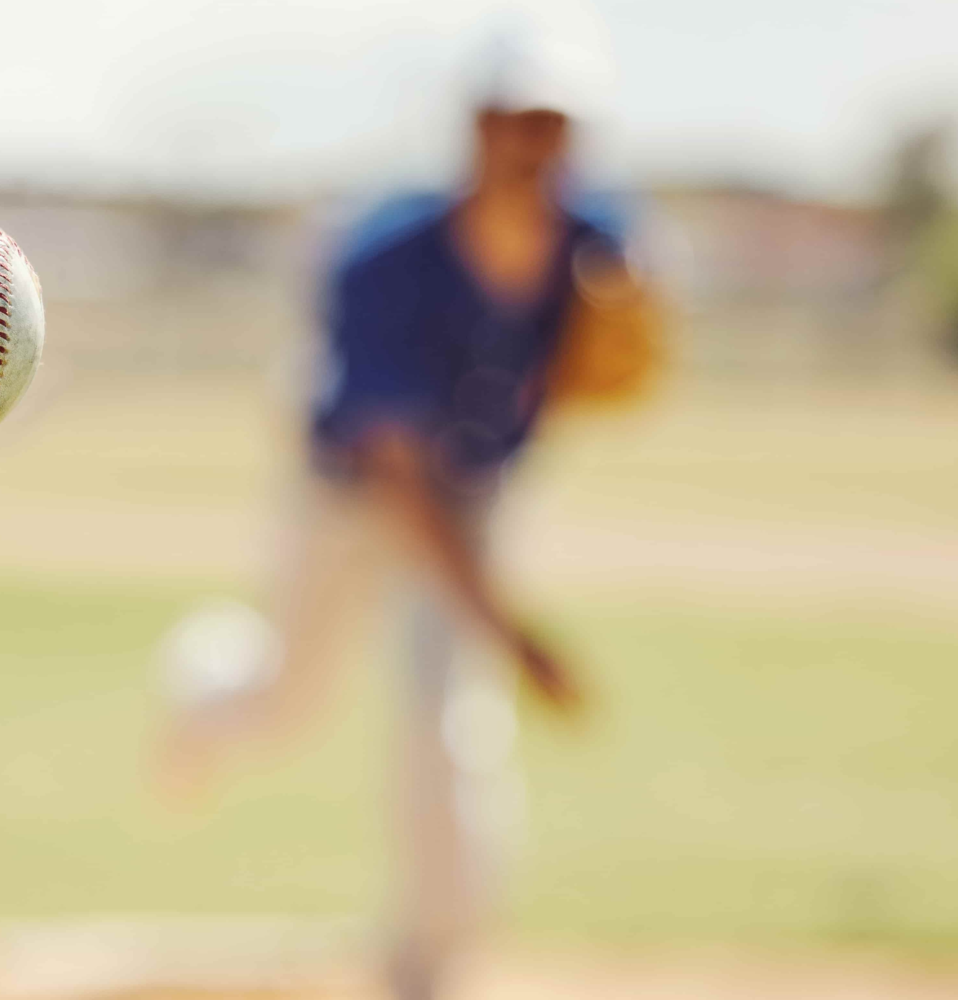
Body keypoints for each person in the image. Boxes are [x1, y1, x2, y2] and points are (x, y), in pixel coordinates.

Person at [156, 33, 662, 1000]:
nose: (533, 144)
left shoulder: (597, 240)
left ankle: (428, 968)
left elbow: (614, 356)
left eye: (554, 124)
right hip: (352, 490)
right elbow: (399, 476)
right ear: (475, 127)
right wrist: (512, 631)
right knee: (282, 702)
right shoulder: (387, 251)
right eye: (516, 120)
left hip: (470, 489)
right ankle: (195, 691)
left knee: (447, 723)